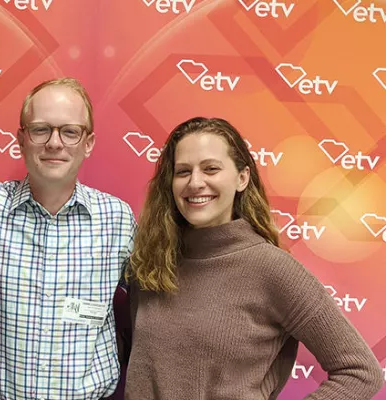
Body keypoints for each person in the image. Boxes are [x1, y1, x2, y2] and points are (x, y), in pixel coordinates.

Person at [123, 117, 383, 399]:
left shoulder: (272, 269)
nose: (195, 182)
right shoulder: (152, 264)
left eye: (211, 169)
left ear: (242, 178)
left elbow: (360, 372)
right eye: (183, 171)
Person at [0, 77, 136, 399]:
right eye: (40, 129)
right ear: (21, 139)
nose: (54, 143)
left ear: (88, 143)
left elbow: (161, 293)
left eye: (70, 131)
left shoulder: (117, 219)